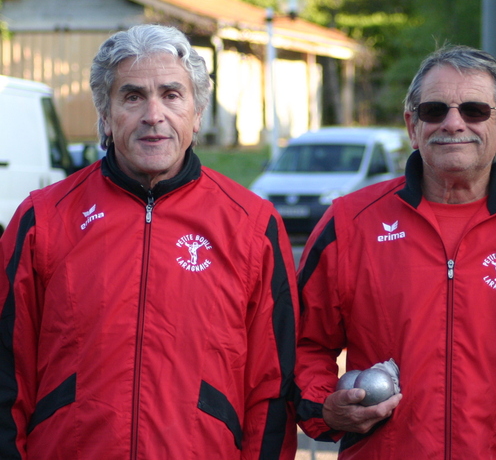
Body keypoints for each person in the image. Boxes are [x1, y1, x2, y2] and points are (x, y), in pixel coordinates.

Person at [0, 24, 299, 459]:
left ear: (197, 115)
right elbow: (6, 373)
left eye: (172, 95)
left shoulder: (253, 225)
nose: (153, 114)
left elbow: (272, 389)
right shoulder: (42, 218)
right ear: (105, 115)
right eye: (133, 96)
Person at [294, 45, 496, 458]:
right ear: (413, 126)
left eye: (474, 111)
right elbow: (303, 342)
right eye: (434, 110)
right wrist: (326, 406)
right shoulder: (350, 224)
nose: (452, 123)